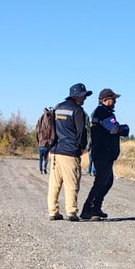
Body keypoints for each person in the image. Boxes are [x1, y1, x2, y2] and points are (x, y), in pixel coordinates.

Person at [81, 89, 130, 221]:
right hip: (103, 153)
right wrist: (125, 128)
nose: (115, 102)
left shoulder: (103, 112)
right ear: (105, 100)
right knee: (101, 182)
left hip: (104, 153)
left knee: (107, 182)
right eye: (113, 99)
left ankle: (96, 208)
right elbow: (114, 129)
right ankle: (87, 209)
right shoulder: (102, 112)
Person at [47, 83, 91, 221]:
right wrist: (82, 147)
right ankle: (71, 212)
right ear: (77, 96)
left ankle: (53, 212)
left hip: (55, 151)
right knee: (71, 183)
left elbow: (52, 128)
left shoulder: (57, 108)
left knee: (54, 184)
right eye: (83, 96)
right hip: (70, 152)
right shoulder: (77, 110)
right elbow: (81, 131)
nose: (84, 99)